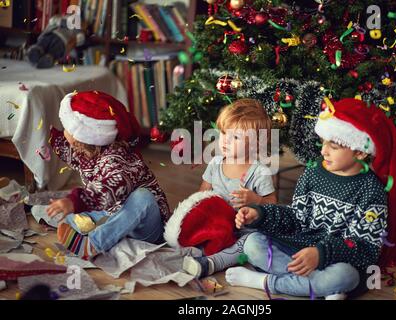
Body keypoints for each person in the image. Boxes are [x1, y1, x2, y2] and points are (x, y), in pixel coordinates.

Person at [225, 98, 396, 299]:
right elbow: (296, 217)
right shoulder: (312, 173)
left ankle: (264, 282)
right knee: (253, 243)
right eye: (323, 142)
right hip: (299, 249)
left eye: (334, 146)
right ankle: (321, 286)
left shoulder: (371, 190)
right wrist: (260, 213)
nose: (323, 150)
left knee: (345, 276)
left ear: (360, 152)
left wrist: (321, 253)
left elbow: (366, 248)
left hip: (336, 260)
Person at [47, 90, 170, 259]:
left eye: (67, 127)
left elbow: (110, 188)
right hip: (115, 214)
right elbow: (65, 148)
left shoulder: (117, 157)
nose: (64, 131)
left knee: (143, 197)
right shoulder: (85, 151)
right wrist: (46, 136)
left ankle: (94, 244)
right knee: (70, 218)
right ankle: (104, 231)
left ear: (79, 138)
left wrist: (74, 201)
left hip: (146, 228)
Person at [181, 99, 277, 278]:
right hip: (217, 226)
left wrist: (256, 200)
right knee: (193, 233)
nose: (225, 140)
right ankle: (204, 249)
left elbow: (272, 205)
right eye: (224, 133)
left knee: (247, 245)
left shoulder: (259, 172)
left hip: (244, 232)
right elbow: (201, 195)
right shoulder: (216, 164)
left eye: (235, 137)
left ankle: (214, 262)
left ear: (256, 144)